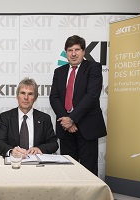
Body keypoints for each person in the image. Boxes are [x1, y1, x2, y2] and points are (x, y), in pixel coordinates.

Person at [49, 35, 107, 176]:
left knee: (88, 171)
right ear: (66, 52)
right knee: (68, 170)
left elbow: (92, 96)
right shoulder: (59, 71)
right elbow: (54, 97)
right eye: (70, 50)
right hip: (65, 128)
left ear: (83, 52)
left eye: (77, 49)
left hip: (87, 127)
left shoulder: (94, 68)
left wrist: (72, 119)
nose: (73, 54)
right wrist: (66, 120)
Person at [0, 77, 58, 157]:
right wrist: (11, 151)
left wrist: (39, 149)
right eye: (23, 93)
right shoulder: (6, 117)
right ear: (17, 96)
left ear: (35, 98)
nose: (26, 98)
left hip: (36, 163)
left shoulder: (44, 118)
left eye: (30, 94)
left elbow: (53, 144)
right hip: (14, 161)